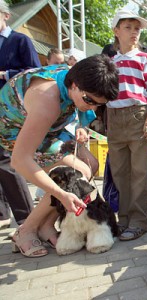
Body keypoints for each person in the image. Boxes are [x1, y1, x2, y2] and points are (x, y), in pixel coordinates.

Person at [0, 55, 119, 257]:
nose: (93, 108)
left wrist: (81, 128)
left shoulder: (76, 79)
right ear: (73, 85)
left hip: (52, 129)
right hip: (14, 130)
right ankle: (26, 230)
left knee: (91, 164)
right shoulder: (46, 101)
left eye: (100, 104)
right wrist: (62, 195)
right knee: (73, 176)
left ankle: (46, 225)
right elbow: (20, 160)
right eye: (89, 100)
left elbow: (80, 107)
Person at [107, 9, 147, 241]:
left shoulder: (145, 58)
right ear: (116, 31)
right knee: (120, 173)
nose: (133, 33)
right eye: (128, 27)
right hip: (114, 117)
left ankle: (139, 222)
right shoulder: (109, 62)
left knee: (140, 171)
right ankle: (125, 219)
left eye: (137, 28)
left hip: (138, 116)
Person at [0, 0, 41, 231]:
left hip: (12, 111)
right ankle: (2, 214)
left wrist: (5, 74)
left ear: (5, 16)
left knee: (8, 160)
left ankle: (26, 216)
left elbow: (35, 72)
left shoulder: (20, 40)